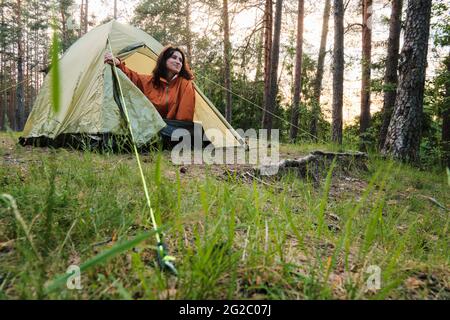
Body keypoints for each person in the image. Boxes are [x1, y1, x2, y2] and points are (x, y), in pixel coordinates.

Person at [104, 46, 196, 122]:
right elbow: (133, 77)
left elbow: (185, 114)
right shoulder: (150, 81)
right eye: (174, 58)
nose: (178, 62)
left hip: (174, 130)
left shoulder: (185, 84)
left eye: (180, 60)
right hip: (152, 127)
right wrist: (118, 63)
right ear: (164, 60)